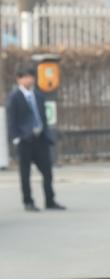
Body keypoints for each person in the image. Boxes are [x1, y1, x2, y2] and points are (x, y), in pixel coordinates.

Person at [5, 67, 63, 212]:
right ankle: (28, 201)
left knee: (47, 171)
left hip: (40, 138)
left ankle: (50, 200)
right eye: (25, 77)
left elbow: (43, 116)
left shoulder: (38, 95)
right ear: (19, 79)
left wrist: (46, 133)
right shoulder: (14, 97)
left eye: (31, 77)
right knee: (25, 173)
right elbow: (11, 120)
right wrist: (16, 138)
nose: (29, 80)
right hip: (25, 140)